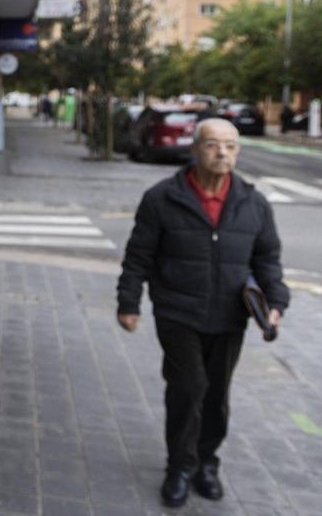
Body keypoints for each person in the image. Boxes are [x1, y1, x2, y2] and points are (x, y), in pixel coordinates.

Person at [115, 118, 288, 508]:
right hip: (178, 311)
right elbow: (138, 255)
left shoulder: (253, 203)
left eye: (230, 146)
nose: (222, 153)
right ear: (195, 149)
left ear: (239, 151)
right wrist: (129, 302)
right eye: (212, 145)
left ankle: (206, 465)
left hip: (230, 316)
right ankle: (179, 466)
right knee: (188, 387)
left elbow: (268, 260)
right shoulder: (162, 198)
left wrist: (276, 303)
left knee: (216, 394)